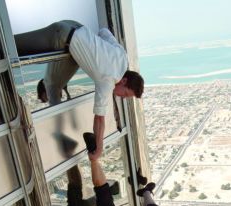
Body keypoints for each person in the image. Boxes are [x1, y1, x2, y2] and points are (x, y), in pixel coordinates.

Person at [14, 20, 144, 158]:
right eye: (125, 94)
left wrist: (96, 49)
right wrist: (99, 150)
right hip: (61, 35)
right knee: (12, 47)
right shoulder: (108, 80)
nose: (122, 97)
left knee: (54, 82)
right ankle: (60, 138)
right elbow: (99, 119)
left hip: (74, 27)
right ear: (124, 81)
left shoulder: (123, 56)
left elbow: (104, 32)